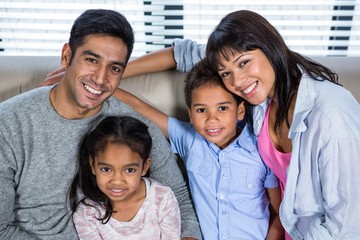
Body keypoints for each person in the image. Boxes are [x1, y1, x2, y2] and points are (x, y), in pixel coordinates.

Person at [41, 9, 360, 239]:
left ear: (270, 46)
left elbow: (347, 225)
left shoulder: (330, 116)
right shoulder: (256, 97)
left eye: (245, 63)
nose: (238, 81)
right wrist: (111, 75)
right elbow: (183, 55)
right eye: (226, 73)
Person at [0, 9, 200, 240]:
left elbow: (181, 202)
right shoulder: (8, 123)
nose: (99, 78)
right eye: (91, 60)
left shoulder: (133, 127)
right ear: (66, 56)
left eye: (114, 68)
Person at [114, 57, 283, 240]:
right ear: (191, 115)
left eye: (223, 108)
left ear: (240, 111)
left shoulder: (261, 148)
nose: (212, 119)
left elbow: (278, 214)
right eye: (201, 110)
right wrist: (102, 86)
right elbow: (138, 107)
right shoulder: (188, 139)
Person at [70, 115, 181, 240]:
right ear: (93, 165)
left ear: (144, 167)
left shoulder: (161, 198)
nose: (117, 181)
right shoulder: (87, 214)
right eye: (106, 169)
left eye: (129, 170)